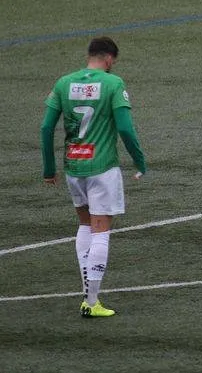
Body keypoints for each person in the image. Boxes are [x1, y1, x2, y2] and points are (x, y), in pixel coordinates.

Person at [39, 37, 147, 318]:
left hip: (73, 166)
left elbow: (46, 128)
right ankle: (91, 300)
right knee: (101, 230)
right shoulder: (113, 84)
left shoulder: (64, 83)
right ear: (109, 59)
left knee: (85, 225)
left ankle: (88, 294)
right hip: (102, 167)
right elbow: (125, 128)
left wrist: (49, 169)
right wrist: (139, 161)